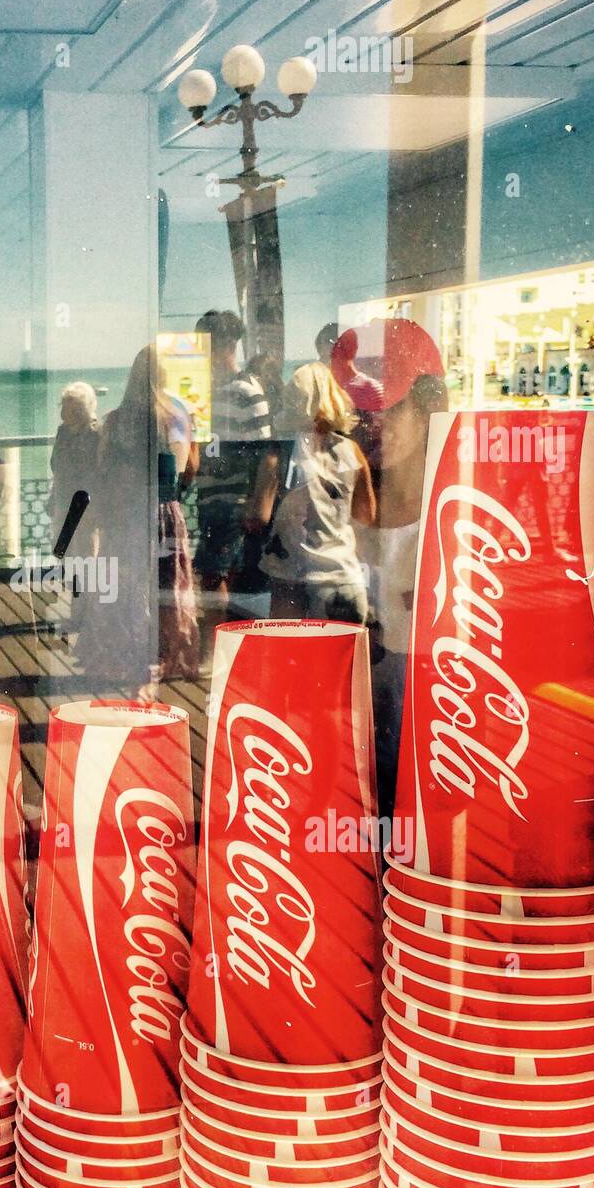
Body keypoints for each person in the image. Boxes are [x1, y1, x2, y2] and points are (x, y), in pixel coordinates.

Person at [331, 318, 447, 818]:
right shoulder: (343, 494)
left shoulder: (457, 512)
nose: (369, 422)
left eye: (385, 407)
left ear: (428, 408)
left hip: (430, 717)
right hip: (355, 709)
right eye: (360, 410)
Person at [77, 346, 199, 687]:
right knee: (166, 584)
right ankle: (163, 656)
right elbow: (189, 468)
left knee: (126, 586)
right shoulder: (178, 415)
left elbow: (102, 470)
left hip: (124, 512)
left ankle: (126, 656)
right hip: (164, 511)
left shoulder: (114, 420)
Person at [255, 375, 377, 626]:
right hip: (344, 577)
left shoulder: (281, 452)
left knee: (290, 659)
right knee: (341, 664)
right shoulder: (351, 451)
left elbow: (259, 515)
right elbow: (366, 515)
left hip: (293, 577)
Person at [191, 309, 272, 651]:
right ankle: (218, 650)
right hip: (211, 497)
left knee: (216, 575)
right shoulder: (208, 391)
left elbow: (268, 452)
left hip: (234, 499)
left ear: (225, 345)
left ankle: (213, 652)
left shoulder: (245, 390)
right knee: (217, 574)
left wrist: (260, 502)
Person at [47, 381, 101, 549]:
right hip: (63, 501)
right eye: (64, 406)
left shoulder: (96, 433)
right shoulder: (63, 432)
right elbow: (57, 466)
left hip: (87, 505)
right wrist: (53, 498)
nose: (65, 413)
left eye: (72, 408)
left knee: (87, 552)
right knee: (65, 552)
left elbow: (99, 471)